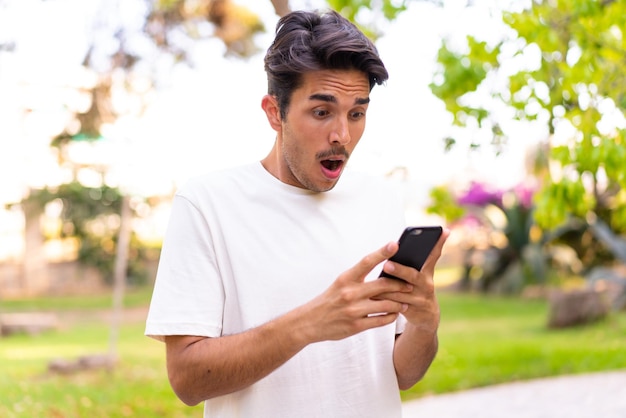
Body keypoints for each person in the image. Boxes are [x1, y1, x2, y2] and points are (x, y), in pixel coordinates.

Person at [145, 8, 449, 418]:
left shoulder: (381, 201)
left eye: (357, 113)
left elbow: (401, 373)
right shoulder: (207, 204)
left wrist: (424, 324)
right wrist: (311, 323)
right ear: (274, 112)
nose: (342, 134)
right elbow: (187, 379)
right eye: (322, 112)